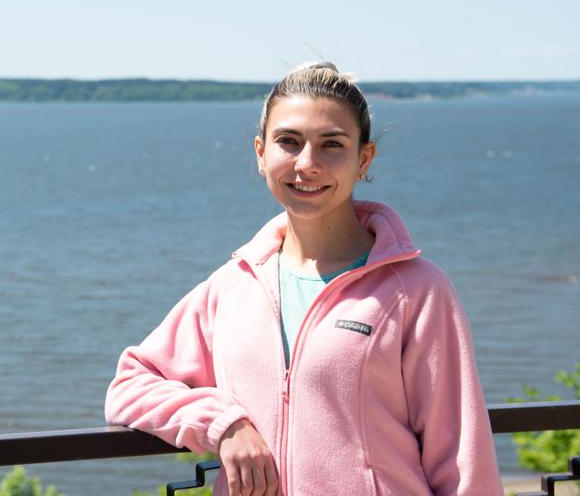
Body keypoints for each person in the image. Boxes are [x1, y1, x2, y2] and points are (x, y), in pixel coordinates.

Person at [105, 62, 503, 496]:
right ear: (261, 153)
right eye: (288, 142)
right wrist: (223, 424)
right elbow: (129, 386)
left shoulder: (417, 292)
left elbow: (464, 461)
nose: (307, 164)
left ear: (363, 159)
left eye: (331, 145)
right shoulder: (233, 286)